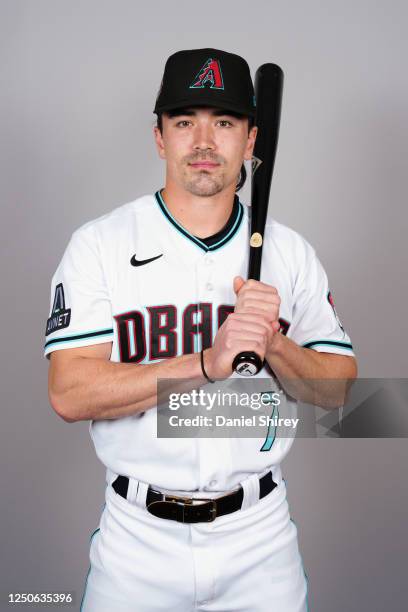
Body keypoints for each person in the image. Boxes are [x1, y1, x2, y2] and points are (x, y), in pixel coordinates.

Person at [44, 48, 357, 612]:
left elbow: (339, 394)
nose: (205, 141)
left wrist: (274, 344)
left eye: (225, 122)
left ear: (252, 140)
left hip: (260, 540)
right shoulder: (100, 244)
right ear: (160, 138)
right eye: (185, 122)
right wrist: (204, 363)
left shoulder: (290, 253)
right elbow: (69, 393)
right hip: (137, 543)